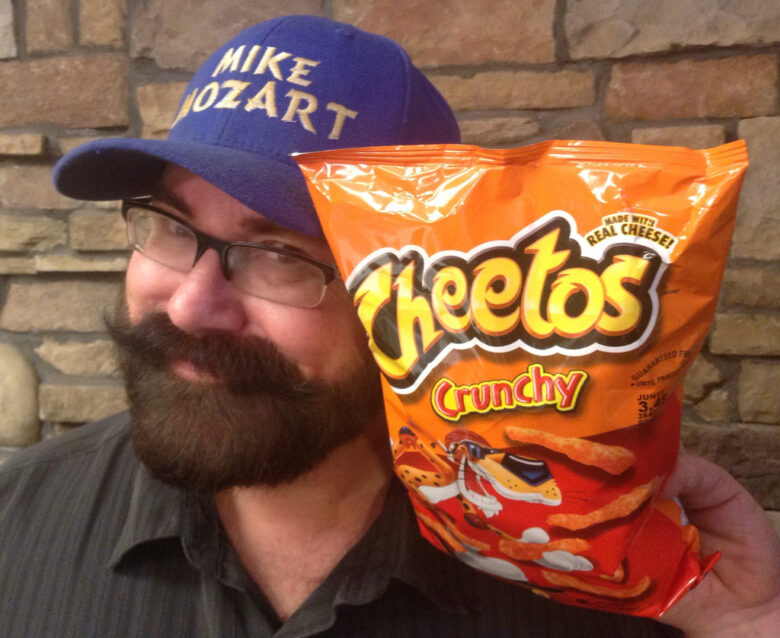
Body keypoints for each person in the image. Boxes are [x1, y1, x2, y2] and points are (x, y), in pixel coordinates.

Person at [0, 15, 776, 638]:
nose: (189, 305)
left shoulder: (599, 577)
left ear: (423, 305)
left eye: (279, 254)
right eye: (171, 227)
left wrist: (747, 625)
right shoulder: (18, 518)